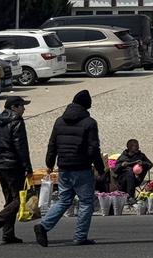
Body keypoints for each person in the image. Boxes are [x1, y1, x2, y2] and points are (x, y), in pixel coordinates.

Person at [35, 90, 105, 248]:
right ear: (87, 106)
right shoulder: (90, 123)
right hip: (82, 167)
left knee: (64, 200)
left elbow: (52, 144)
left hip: (64, 166)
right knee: (86, 202)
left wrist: (49, 163)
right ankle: (80, 236)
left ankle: (43, 225)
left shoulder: (59, 121)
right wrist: (100, 169)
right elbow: (94, 148)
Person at [0, 96, 32, 245]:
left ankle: (8, 234)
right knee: (21, 198)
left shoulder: (0, 121)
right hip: (13, 166)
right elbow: (21, 147)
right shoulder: (16, 121)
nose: (24, 109)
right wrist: (27, 167)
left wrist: (1, 156)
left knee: (9, 200)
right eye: (21, 106)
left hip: (0, 164)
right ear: (14, 107)